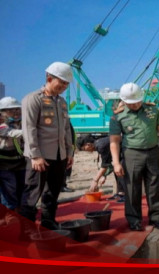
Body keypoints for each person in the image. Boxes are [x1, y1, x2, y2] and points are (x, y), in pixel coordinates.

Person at [109, 82, 159, 231]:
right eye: (131, 103)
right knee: (132, 188)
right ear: (123, 101)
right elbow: (114, 141)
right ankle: (134, 220)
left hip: (152, 152)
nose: (135, 105)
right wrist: (116, 163)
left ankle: (156, 219)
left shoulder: (153, 110)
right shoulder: (118, 116)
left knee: (155, 186)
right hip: (131, 153)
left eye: (137, 101)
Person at [20, 62, 74, 231]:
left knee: (53, 192)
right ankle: (26, 229)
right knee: (32, 194)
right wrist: (35, 155)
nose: (64, 87)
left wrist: (69, 152)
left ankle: (48, 221)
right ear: (49, 78)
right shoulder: (33, 99)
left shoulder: (62, 103)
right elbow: (29, 128)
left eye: (67, 84)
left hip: (59, 155)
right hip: (40, 157)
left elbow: (66, 128)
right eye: (62, 83)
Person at [76, 135, 126, 203]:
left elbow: (104, 166)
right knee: (116, 168)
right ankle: (121, 193)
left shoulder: (101, 146)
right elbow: (108, 163)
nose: (86, 151)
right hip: (120, 154)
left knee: (120, 169)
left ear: (88, 145)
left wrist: (95, 181)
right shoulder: (99, 143)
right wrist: (104, 175)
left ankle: (127, 196)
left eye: (84, 149)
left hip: (126, 152)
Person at [0, 97, 25, 211]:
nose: (16, 113)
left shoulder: (22, 122)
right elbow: (11, 133)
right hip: (5, 164)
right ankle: (10, 213)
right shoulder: (2, 125)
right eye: (11, 110)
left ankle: (20, 211)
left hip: (20, 162)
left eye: (17, 109)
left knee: (22, 187)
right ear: (3, 112)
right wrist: (30, 132)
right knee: (9, 189)